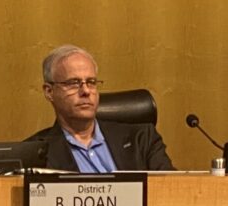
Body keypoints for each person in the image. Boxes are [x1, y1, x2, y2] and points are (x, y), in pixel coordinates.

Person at [26, 45, 174, 172]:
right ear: (49, 92)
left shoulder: (142, 140)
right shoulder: (33, 154)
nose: (85, 91)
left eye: (91, 82)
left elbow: (173, 190)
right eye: (73, 83)